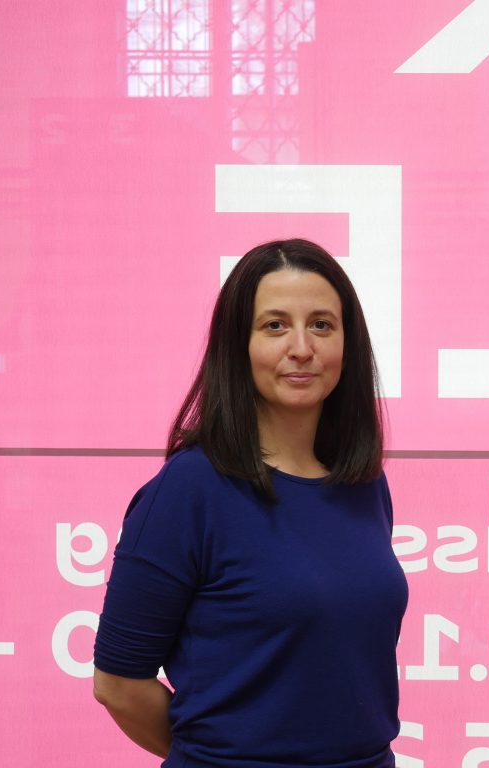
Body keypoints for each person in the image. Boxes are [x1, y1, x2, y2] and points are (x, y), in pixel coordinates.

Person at [93, 239, 408, 768]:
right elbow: (119, 684)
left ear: (348, 347)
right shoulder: (190, 489)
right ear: (238, 345)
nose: (302, 347)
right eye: (275, 325)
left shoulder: (363, 483)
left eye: (322, 325)